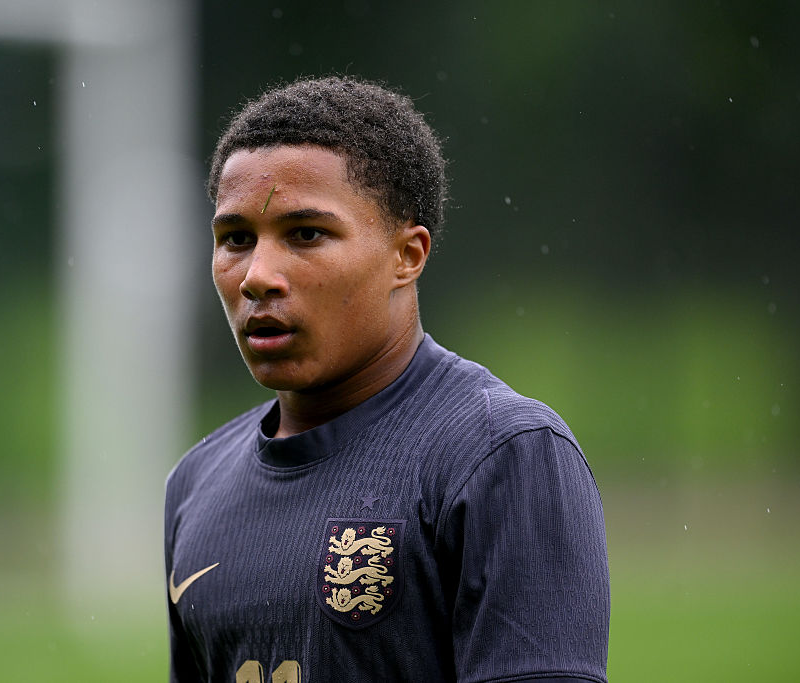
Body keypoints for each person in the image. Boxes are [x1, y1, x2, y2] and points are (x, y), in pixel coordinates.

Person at [164, 76, 609, 683]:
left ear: (408, 255)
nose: (257, 276)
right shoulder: (194, 485)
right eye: (236, 239)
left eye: (306, 234)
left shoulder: (504, 454)